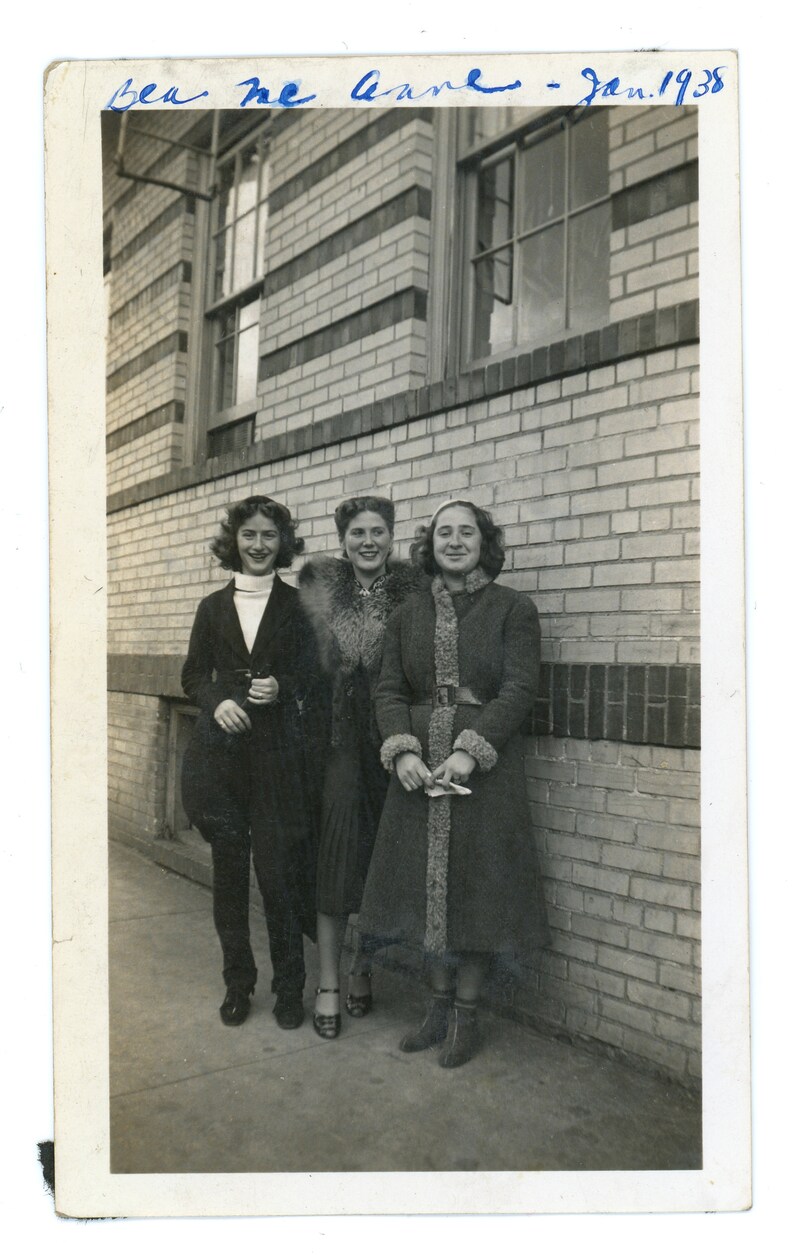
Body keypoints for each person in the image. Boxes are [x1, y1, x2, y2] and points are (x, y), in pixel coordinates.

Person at [357, 499, 548, 1067]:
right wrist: (401, 751)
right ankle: (435, 1008)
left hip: (483, 774)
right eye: (445, 533)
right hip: (417, 773)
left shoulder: (514, 609)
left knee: (474, 890)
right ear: (430, 544)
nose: (456, 541)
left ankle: (466, 1016)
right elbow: (388, 691)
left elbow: (518, 689)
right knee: (421, 890)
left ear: (484, 542)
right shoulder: (407, 615)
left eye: (468, 532)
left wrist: (470, 751)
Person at [181, 495, 322, 1031]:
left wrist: (282, 686)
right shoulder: (212, 608)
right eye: (249, 536)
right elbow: (192, 675)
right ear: (233, 542)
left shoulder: (298, 606)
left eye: (268, 536)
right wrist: (217, 700)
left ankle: (290, 988)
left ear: (282, 543)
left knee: (279, 877)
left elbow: (315, 674)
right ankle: (237, 983)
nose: (258, 545)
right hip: (221, 764)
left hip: (277, 760)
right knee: (230, 876)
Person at [298, 496, 425, 1039]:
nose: (367, 541)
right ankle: (327, 982)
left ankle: (361, 967)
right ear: (343, 540)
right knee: (336, 856)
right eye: (357, 533)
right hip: (337, 743)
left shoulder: (414, 591)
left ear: (391, 538)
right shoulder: (320, 590)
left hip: (393, 739)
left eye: (377, 531)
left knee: (377, 861)